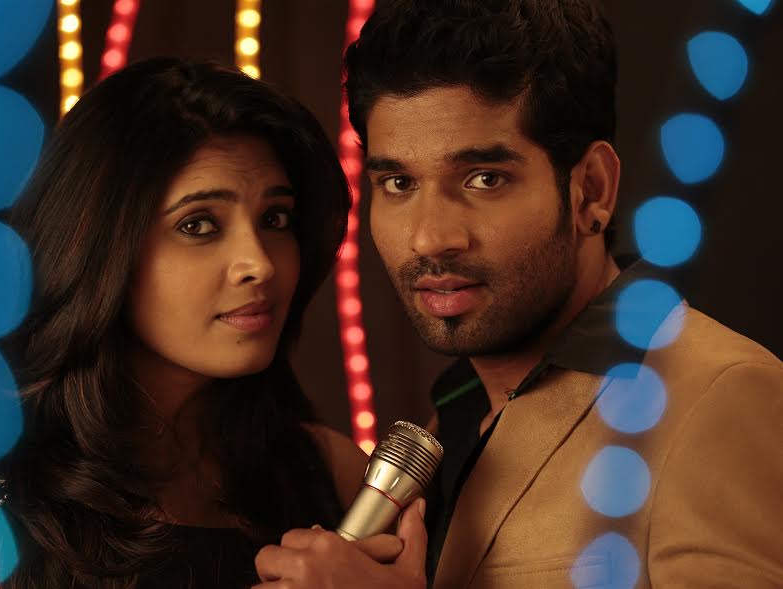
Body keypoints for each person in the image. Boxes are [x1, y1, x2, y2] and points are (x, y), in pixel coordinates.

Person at [253, 1, 783, 587]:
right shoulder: (451, 420)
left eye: (484, 179)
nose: (430, 237)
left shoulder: (719, 397)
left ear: (591, 191)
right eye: (399, 182)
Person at [0, 58, 377, 589]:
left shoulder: (331, 475)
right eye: (198, 225)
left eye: (275, 218)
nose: (259, 263)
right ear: (99, 247)